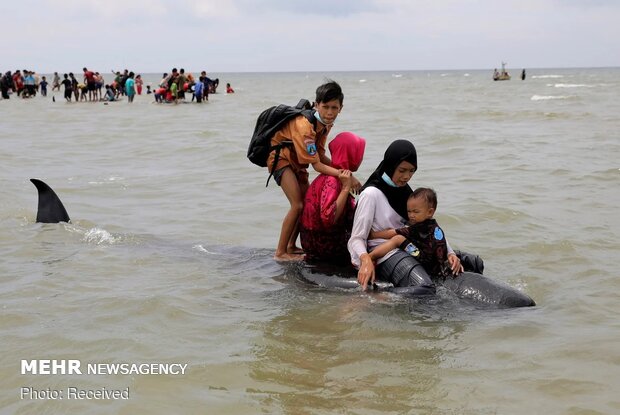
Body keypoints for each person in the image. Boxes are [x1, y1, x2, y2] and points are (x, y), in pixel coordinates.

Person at [347, 140, 463, 293]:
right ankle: (380, 297)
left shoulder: (405, 192)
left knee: (473, 262)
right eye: (402, 170)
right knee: (424, 288)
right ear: (391, 165)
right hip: (385, 254)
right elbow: (356, 238)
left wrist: (450, 253)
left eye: (411, 171)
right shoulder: (371, 194)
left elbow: (427, 228)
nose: (407, 176)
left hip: (409, 245)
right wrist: (365, 259)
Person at [268, 80, 357, 261]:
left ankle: (291, 246)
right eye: (325, 107)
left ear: (341, 108)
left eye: (334, 107)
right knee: (297, 204)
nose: (330, 112)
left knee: (306, 202)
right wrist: (344, 176)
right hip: (280, 160)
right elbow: (317, 165)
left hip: (298, 163)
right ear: (316, 105)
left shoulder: (325, 124)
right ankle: (280, 253)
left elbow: (320, 155)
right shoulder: (304, 126)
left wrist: (344, 171)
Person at [300, 132, 365, 264]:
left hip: (313, 242)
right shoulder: (334, 181)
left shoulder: (332, 174)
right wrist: (346, 188)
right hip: (323, 247)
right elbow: (328, 219)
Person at [364, 187, 456, 279]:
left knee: (398, 239)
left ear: (430, 212)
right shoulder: (434, 226)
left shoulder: (417, 228)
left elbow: (394, 232)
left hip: (425, 261)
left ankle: (371, 256)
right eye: (409, 211)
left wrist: (373, 235)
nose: (411, 215)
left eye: (416, 212)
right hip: (437, 263)